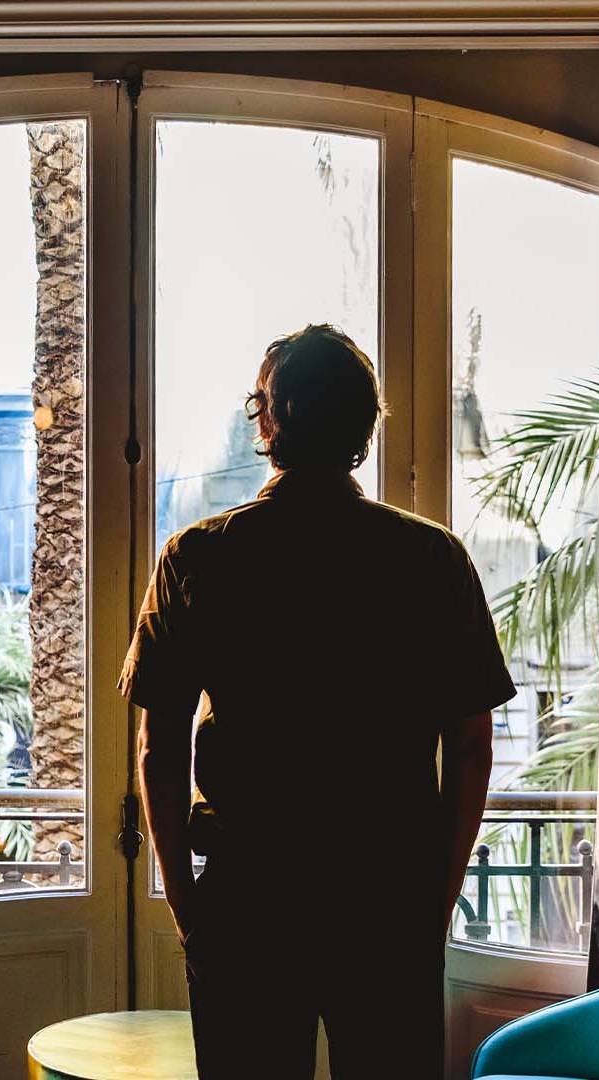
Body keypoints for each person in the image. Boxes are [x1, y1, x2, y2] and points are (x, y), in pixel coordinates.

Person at [121, 324, 514, 1078]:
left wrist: (186, 904)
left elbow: (158, 746)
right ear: (361, 425)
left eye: (258, 401)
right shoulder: (432, 558)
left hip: (250, 897)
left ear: (281, 416)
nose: (254, 415)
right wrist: (436, 897)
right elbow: (470, 745)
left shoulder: (200, 557)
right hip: (387, 894)